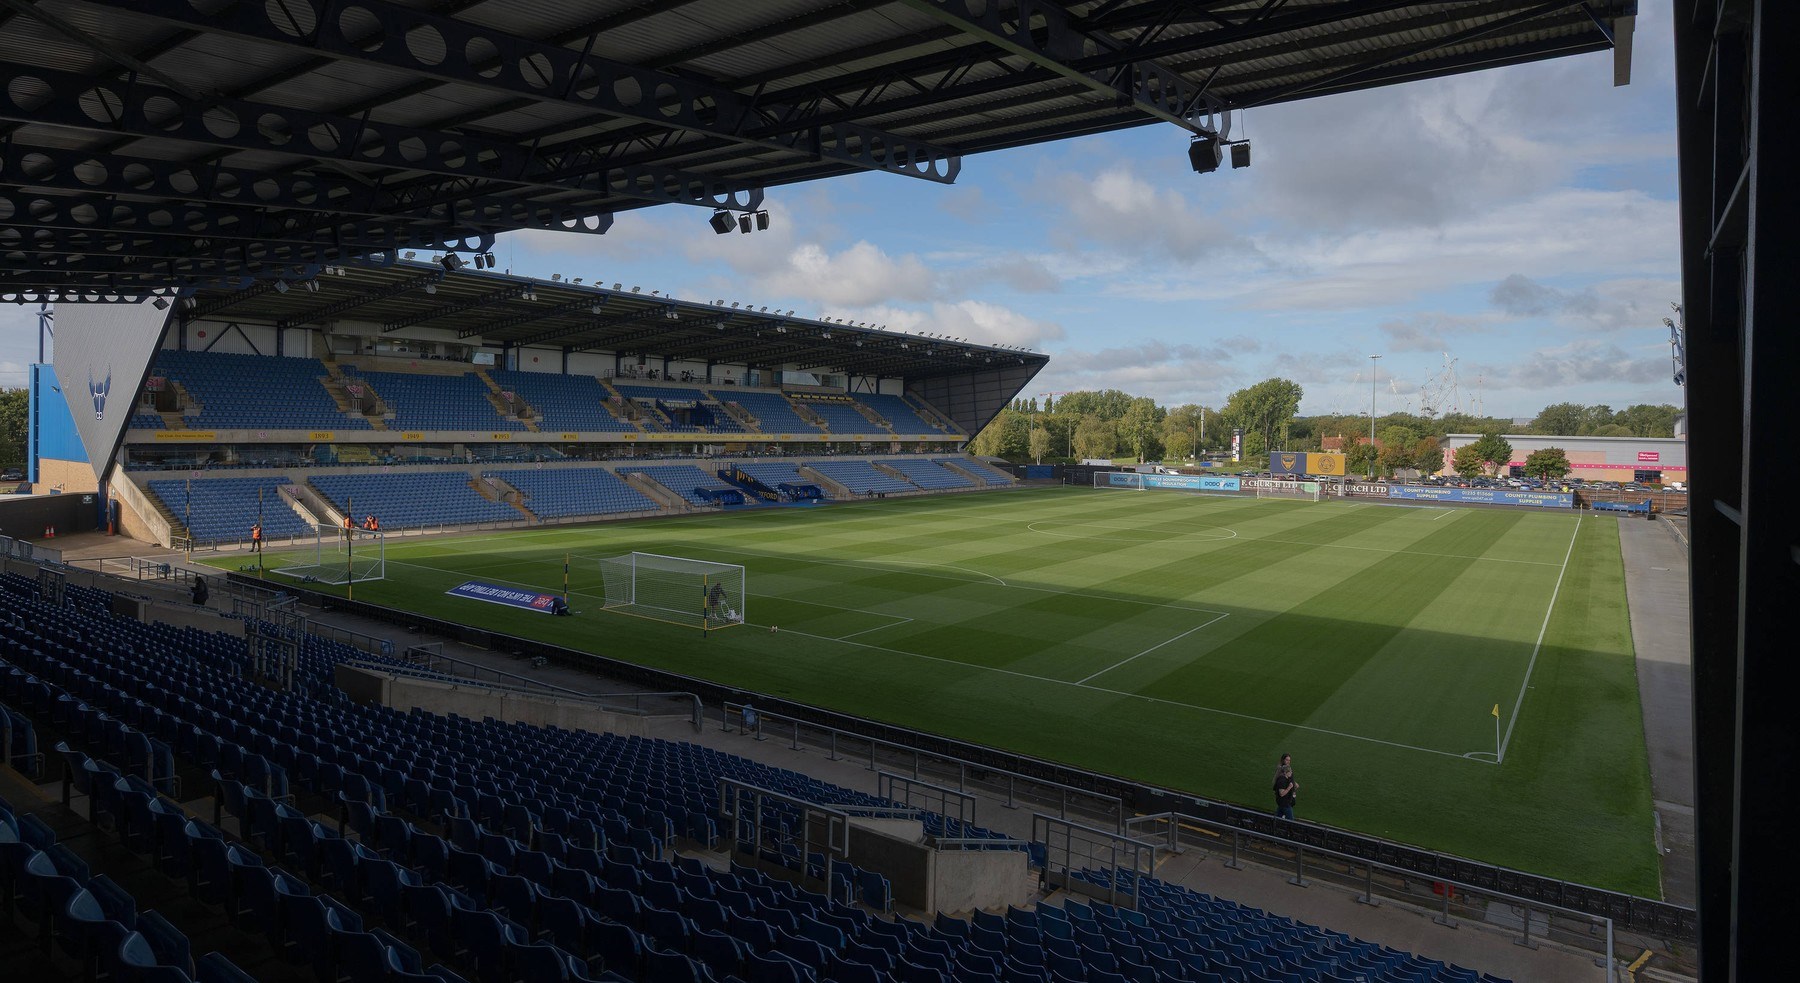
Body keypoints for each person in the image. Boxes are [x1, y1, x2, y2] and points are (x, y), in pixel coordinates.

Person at [1273, 753, 1298, 820]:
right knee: (1289, 817)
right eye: (1287, 760)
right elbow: (1280, 785)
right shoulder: (1281, 771)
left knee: (1280, 811)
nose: (1288, 762)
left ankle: (1274, 825)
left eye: (1289, 760)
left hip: (1287, 796)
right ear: (1283, 760)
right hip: (1285, 798)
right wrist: (1290, 787)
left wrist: (1294, 784)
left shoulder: (1287, 769)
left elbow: (1289, 778)